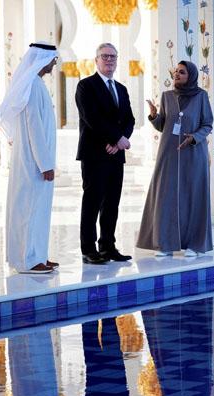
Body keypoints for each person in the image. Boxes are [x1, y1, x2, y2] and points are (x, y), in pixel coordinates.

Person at [0, 42, 59, 274]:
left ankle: (37, 254)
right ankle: (26, 260)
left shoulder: (36, 84)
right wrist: (45, 164)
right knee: (28, 209)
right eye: (53, 59)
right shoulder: (32, 85)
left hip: (37, 160)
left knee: (38, 209)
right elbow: (34, 126)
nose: (55, 63)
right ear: (43, 59)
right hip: (33, 162)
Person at [137, 60, 213, 257]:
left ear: (191, 76)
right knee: (166, 196)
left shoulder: (201, 96)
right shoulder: (167, 96)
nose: (176, 75)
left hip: (194, 153)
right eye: (175, 72)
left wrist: (194, 138)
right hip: (169, 152)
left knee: (193, 197)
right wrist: (154, 116)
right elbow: (164, 125)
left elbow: (207, 124)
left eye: (182, 72)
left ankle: (194, 245)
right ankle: (165, 243)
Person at [76, 43, 135, 265]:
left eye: (113, 57)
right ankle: (89, 249)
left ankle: (108, 246)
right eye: (105, 56)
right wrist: (115, 139)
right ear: (96, 60)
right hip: (94, 154)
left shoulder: (121, 88)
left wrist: (119, 143)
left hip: (115, 155)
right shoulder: (85, 86)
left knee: (112, 203)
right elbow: (92, 119)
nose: (109, 60)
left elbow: (129, 119)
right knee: (92, 203)